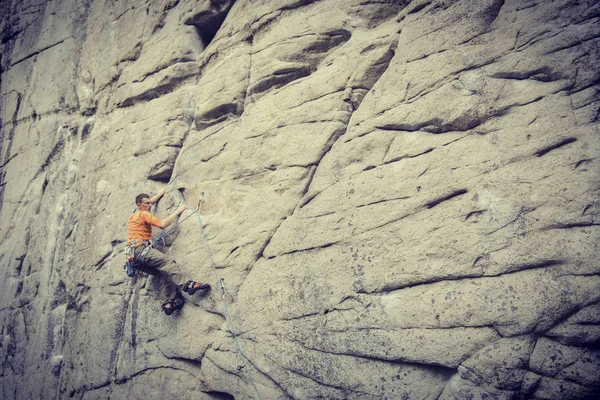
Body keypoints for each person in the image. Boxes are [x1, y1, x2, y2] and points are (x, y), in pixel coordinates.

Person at [127, 188, 210, 315]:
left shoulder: (135, 214)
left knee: (164, 272)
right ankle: (188, 285)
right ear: (139, 205)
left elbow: (150, 202)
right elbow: (162, 224)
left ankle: (169, 302)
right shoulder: (144, 214)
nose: (150, 205)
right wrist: (178, 211)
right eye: (147, 203)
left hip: (133, 258)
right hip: (140, 250)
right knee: (168, 262)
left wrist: (161, 193)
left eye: (150, 203)